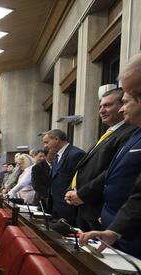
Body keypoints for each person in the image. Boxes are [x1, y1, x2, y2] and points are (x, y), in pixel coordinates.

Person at [79, 53, 141, 258]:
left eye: (126, 100)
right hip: (116, 229)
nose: (123, 108)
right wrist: (114, 230)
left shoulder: (127, 133)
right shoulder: (135, 134)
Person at [64, 88, 134, 231]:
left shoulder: (129, 132)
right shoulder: (109, 133)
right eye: (100, 106)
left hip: (98, 208)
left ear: (122, 106)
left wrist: (82, 194)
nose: (101, 110)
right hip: (83, 207)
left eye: (107, 105)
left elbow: (112, 170)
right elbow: (85, 167)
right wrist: (71, 189)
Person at [43, 129, 86, 225]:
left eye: (47, 142)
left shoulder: (76, 154)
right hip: (55, 207)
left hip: (69, 209)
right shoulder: (57, 155)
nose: (45, 146)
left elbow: (79, 181)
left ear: (56, 139)